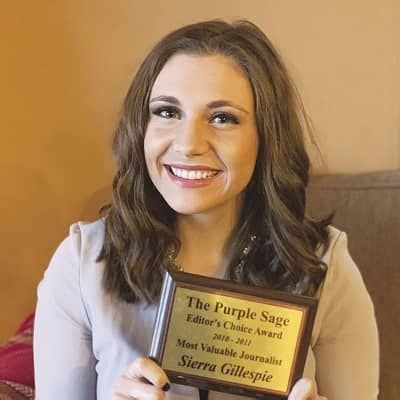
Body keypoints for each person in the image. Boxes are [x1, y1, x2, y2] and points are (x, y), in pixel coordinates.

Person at [33, 19, 379, 400]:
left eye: (222, 118)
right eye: (167, 112)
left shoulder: (325, 266)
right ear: (140, 127)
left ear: (267, 137)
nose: (189, 144)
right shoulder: (81, 264)